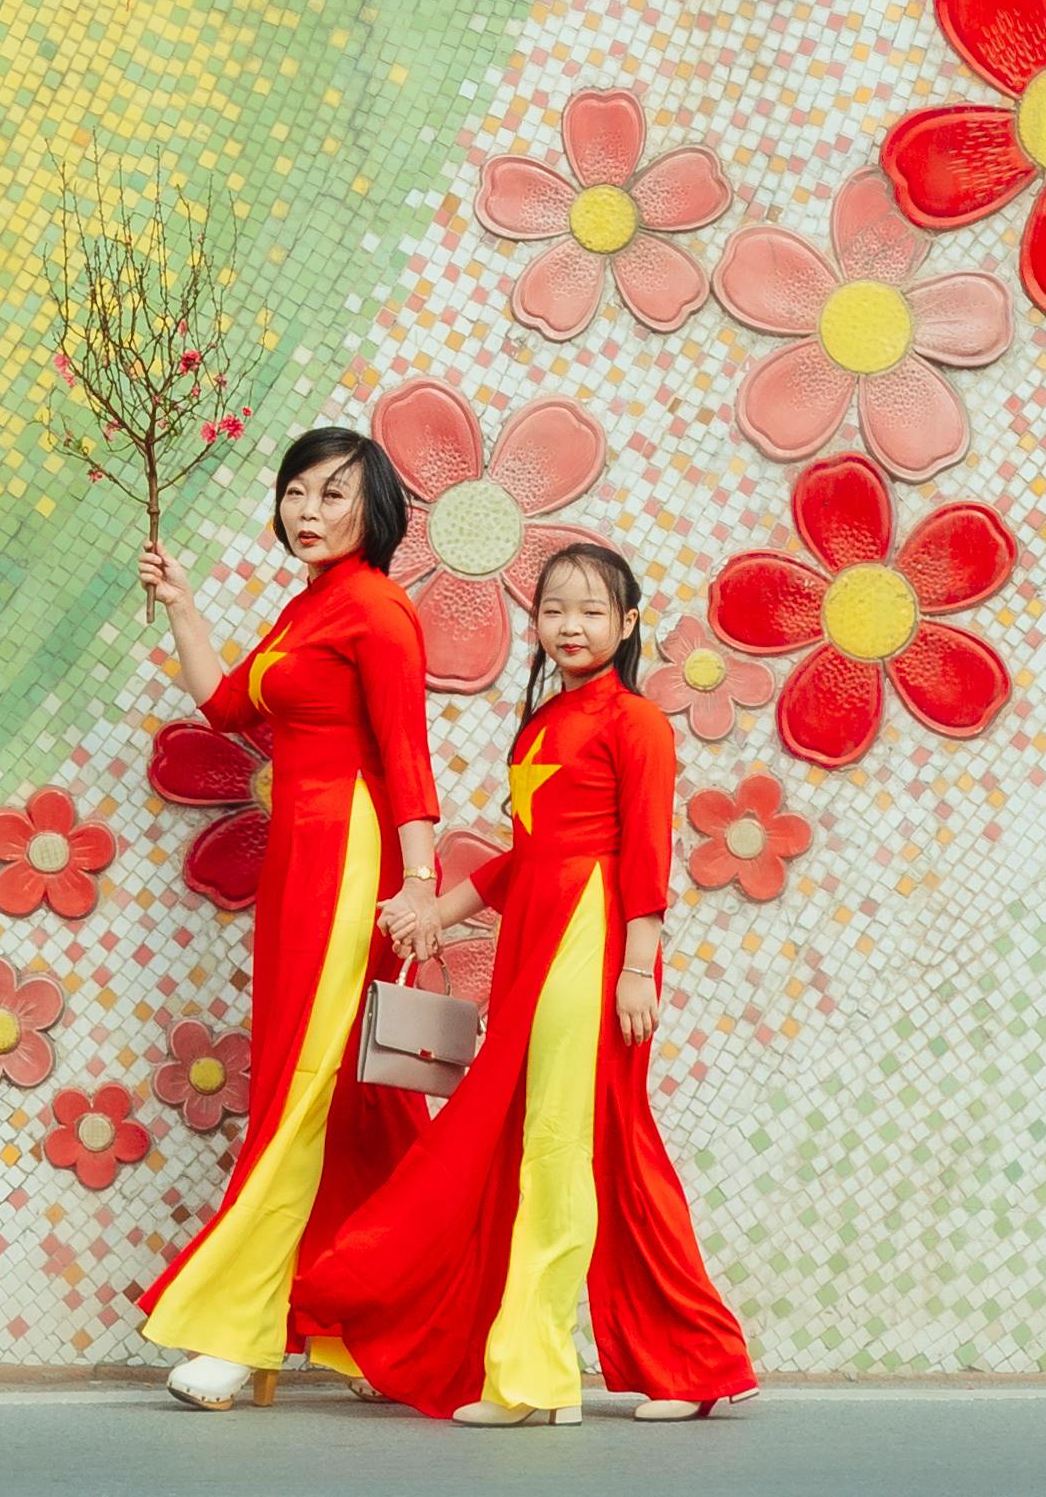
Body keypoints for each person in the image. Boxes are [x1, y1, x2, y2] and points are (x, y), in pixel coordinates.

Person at [293, 541, 760, 1426]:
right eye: (554, 610)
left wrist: (633, 970)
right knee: (595, 1148)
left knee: (554, 1144)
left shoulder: (638, 722)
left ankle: (534, 1375)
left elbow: (645, 859)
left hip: (590, 950)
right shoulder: (544, 723)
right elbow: (524, 858)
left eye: (590, 610)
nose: (570, 625)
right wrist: (439, 911)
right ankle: (696, 1362)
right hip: (532, 948)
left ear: (627, 624)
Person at [133, 428, 446, 1411]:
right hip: (294, 868)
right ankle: (386, 1327)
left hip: (349, 859)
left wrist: (421, 890)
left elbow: (408, 758)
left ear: (374, 510)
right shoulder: (304, 608)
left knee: (301, 1089)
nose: (307, 510)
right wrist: (182, 603)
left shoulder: (378, 611)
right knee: (333, 1091)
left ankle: (236, 1330)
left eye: (332, 494)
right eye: (295, 492)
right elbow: (227, 705)